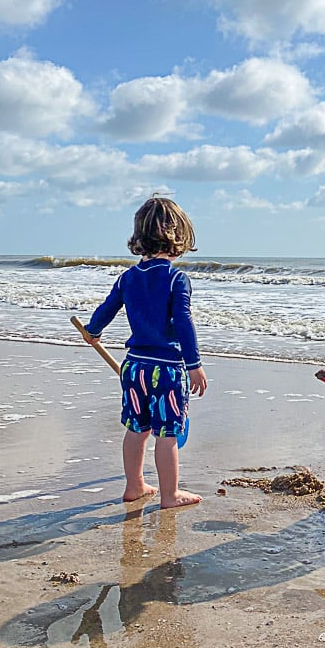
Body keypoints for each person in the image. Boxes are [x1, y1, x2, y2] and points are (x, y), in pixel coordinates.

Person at [83, 196, 207, 510]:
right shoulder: (177, 279)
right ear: (179, 237)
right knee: (167, 434)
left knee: (136, 429)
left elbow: (106, 310)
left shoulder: (128, 278)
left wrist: (93, 331)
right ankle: (169, 495)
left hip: (134, 367)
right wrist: (194, 364)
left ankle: (135, 485)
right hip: (166, 369)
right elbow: (183, 321)